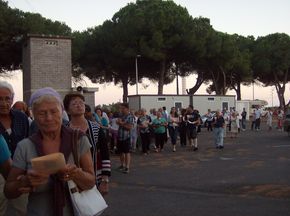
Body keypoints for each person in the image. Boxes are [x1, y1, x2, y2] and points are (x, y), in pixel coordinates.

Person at [4, 87, 96, 216]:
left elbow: (91, 182)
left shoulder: (78, 139)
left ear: (62, 112)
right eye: (42, 113)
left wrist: (76, 174)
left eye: (54, 111)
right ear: (34, 116)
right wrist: (25, 181)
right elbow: (8, 191)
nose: (49, 118)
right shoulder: (25, 146)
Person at [63, 92, 111, 195]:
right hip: (69, 179)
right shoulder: (64, 130)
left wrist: (105, 180)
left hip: (93, 178)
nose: (79, 105)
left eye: (81, 103)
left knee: (91, 207)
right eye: (74, 103)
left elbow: (105, 154)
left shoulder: (96, 128)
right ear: (67, 110)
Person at [0, 81, 29, 216]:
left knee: (23, 209)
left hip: (19, 170)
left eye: (7, 99)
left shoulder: (21, 117)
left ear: (12, 99)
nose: (3, 103)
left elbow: (29, 141)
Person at [116, 103, 134, 174]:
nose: (121, 110)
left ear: (127, 109)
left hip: (126, 137)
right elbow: (118, 122)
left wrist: (121, 124)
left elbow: (130, 127)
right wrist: (120, 123)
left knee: (127, 152)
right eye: (121, 108)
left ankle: (127, 167)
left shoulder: (130, 117)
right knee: (120, 152)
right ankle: (122, 165)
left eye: (122, 108)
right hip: (120, 136)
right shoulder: (121, 116)